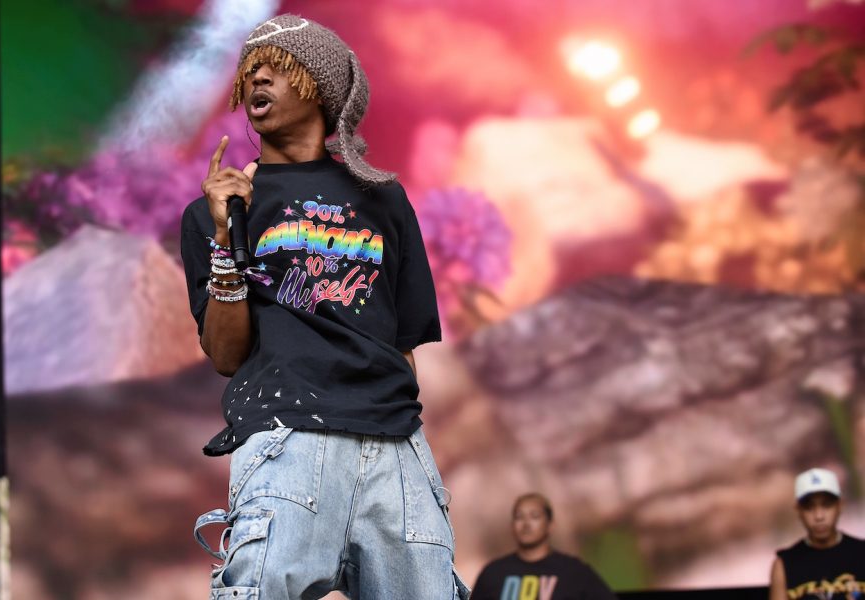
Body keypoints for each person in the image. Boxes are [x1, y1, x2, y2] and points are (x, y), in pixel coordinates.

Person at [181, 14, 468, 600]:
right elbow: (227, 355)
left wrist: (409, 445)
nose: (256, 79)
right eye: (248, 72)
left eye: (275, 68)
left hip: (395, 450)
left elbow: (401, 345)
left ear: (318, 82)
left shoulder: (382, 198)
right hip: (289, 439)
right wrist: (225, 239)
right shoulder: (216, 211)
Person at [470, 493, 615, 600]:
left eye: (535, 516)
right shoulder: (493, 573)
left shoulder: (574, 571)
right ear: (512, 525)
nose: (526, 524)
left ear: (550, 525)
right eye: (519, 517)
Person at [769, 468, 865, 599]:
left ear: (840, 505)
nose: (819, 516)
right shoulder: (785, 565)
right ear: (798, 511)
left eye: (826, 505)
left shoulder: (861, 554)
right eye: (809, 507)